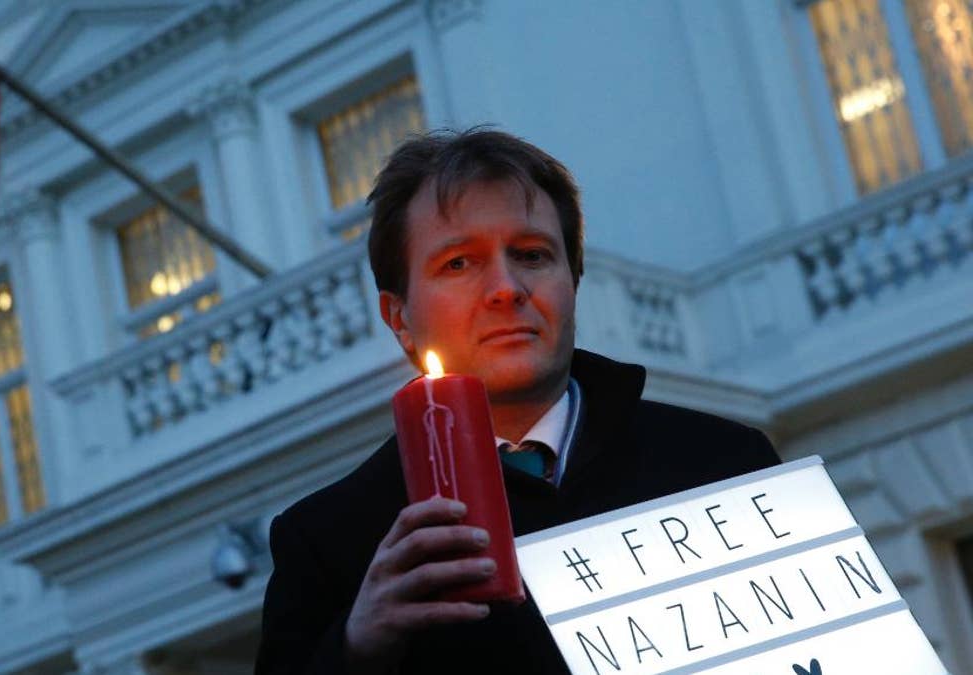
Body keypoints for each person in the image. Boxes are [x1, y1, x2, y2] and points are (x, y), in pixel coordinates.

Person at [254, 129, 779, 674]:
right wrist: (355, 649)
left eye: (531, 255)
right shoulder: (328, 541)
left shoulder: (724, 463)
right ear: (400, 320)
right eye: (458, 263)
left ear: (573, 282)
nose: (506, 288)